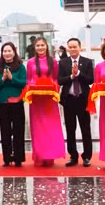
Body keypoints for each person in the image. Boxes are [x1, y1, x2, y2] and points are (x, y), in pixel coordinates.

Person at [26, 36, 65, 166]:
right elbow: (29, 80)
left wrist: (51, 87)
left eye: (42, 45)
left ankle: (50, 155)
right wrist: (34, 87)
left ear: (47, 46)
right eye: (38, 46)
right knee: (37, 128)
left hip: (49, 99)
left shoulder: (53, 62)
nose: (40, 48)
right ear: (34, 47)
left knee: (50, 127)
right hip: (36, 100)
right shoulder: (31, 62)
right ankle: (40, 155)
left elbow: (56, 79)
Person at [58, 37, 94, 167]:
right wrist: (71, 77)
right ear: (67, 48)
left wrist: (78, 73)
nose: (72, 49)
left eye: (75, 47)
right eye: (70, 47)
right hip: (69, 100)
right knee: (70, 129)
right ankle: (73, 155)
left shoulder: (88, 62)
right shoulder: (62, 63)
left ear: (80, 47)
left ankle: (87, 156)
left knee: (86, 129)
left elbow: (90, 80)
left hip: (83, 99)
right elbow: (60, 80)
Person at [0, 42, 26, 167]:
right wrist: (3, 79)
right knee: (5, 131)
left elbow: (24, 83)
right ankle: (7, 158)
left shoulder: (20, 66)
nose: (7, 53)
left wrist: (12, 78)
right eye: (5, 51)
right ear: (2, 53)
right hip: (3, 102)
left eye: (9, 51)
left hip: (17, 101)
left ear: (14, 51)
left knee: (18, 130)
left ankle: (18, 158)